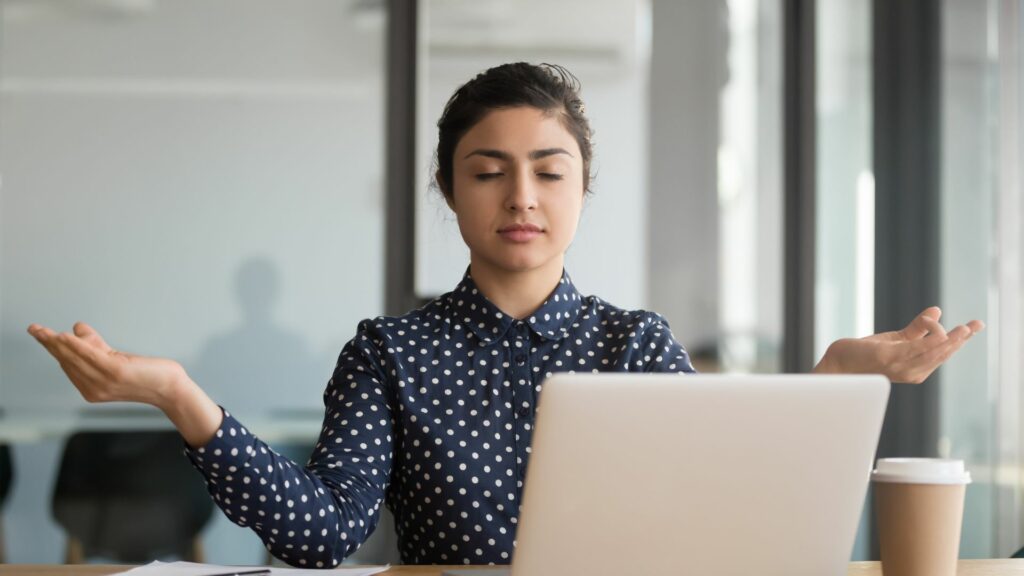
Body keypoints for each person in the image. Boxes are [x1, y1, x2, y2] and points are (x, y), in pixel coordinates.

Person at [27, 62, 984, 568]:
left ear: (581, 191)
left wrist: (830, 383)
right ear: (450, 193)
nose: (520, 196)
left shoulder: (633, 342)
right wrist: (178, 395)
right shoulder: (391, 353)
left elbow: (729, 521)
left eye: (548, 171)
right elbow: (319, 535)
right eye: (488, 172)